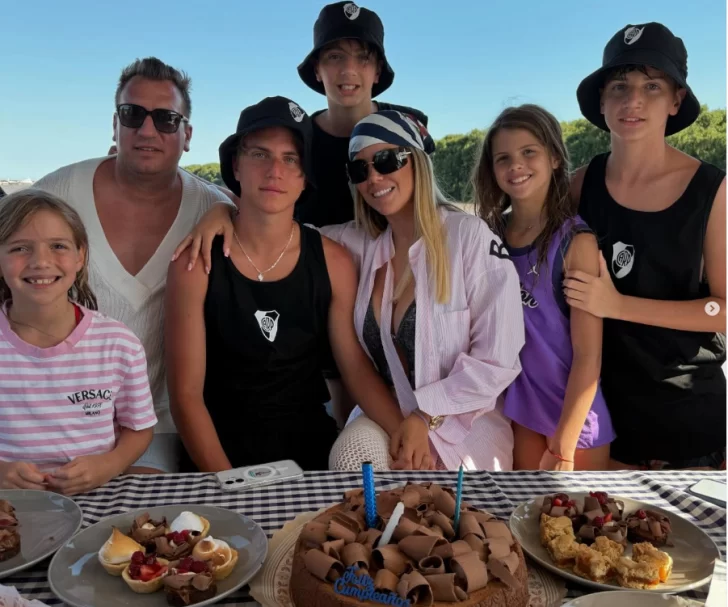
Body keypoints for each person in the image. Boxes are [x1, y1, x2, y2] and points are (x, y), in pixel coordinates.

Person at [165, 97, 408, 472]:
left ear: (304, 175)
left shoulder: (334, 262)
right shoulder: (195, 263)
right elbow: (185, 396)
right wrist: (231, 483)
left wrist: (404, 434)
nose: (274, 171)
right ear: (236, 165)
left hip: (310, 455)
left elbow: (355, 369)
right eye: (259, 154)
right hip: (216, 459)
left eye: (291, 159)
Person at [32, 57, 232, 473]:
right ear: (115, 125)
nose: (147, 130)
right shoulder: (56, 194)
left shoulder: (212, 208)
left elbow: (266, 232)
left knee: (146, 511)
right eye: (132, 114)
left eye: (166, 119)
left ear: (187, 134)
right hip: (50, 417)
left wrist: (228, 211)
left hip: (154, 427)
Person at [322, 111, 525, 471]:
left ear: (416, 161)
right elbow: (281, 233)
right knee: (352, 460)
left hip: (465, 419)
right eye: (360, 169)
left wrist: (425, 415)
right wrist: (222, 211)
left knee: (450, 503)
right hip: (387, 411)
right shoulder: (358, 243)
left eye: (387, 160)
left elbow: (498, 359)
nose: (374, 177)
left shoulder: (469, 236)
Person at [567, 22, 726, 470]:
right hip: (597, 418)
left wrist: (618, 306)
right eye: (619, 86)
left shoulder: (713, 192)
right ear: (601, 101)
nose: (632, 100)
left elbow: (722, 310)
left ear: (676, 100)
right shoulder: (579, 186)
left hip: (685, 422)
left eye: (652, 85)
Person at [472, 104, 614, 471]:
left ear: (554, 157)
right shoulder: (486, 236)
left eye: (528, 152)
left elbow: (588, 355)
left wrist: (564, 446)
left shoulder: (576, 243)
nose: (516, 165)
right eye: (503, 158)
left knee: (576, 510)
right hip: (519, 412)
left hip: (575, 420)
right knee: (521, 509)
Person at [0, 190, 157, 494]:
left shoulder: (118, 344)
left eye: (58, 246)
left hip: (99, 495)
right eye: (20, 248)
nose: (41, 262)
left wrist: (109, 465)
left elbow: (139, 429)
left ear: (80, 256)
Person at [294, 1, 429, 228]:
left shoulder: (410, 125)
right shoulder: (298, 139)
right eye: (335, 56)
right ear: (317, 69)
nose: (349, 69)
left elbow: (429, 205)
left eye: (363, 57)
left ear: (378, 70)